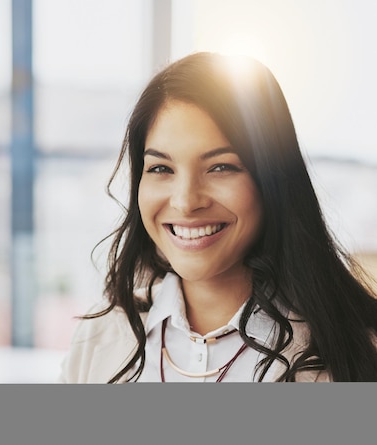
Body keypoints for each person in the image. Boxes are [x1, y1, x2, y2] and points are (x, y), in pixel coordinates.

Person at [59, 51, 377, 383]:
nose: (185, 202)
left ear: (272, 179)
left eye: (221, 167)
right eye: (160, 168)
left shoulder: (353, 351)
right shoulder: (101, 338)